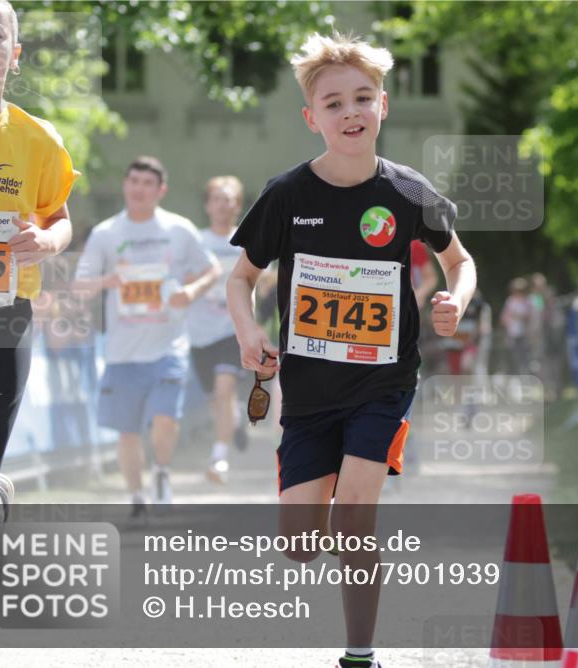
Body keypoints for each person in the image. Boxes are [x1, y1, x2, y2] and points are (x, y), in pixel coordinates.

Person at [225, 33, 476, 668]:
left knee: (355, 516)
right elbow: (240, 277)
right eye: (334, 103)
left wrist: (456, 300)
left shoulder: (408, 191)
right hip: (308, 393)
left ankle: (359, 653)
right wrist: (249, 331)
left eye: (362, 98)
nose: (350, 112)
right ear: (313, 119)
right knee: (303, 544)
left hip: (382, 381)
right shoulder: (287, 195)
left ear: (383, 106)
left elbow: (460, 260)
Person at [0, 1, 79, 665]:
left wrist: (47, 241)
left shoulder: (36, 138)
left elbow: (61, 216)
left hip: (1, 318)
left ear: (14, 54)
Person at [73, 157, 219, 516]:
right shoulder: (106, 234)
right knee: (127, 433)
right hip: (122, 351)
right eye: (133, 180)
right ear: (125, 185)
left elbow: (212, 269)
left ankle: (162, 473)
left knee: (164, 419)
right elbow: (79, 284)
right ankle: (137, 496)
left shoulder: (179, 229)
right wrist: (108, 282)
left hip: (169, 347)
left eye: (147, 183)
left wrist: (192, 291)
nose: (138, 188)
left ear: (160, 190)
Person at [186, 175, 247, 484]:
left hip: (232, 330)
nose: (224, 205)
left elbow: (259, 278)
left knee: (224, 391)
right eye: (218, 199)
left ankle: (219, 459)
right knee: (217, 401)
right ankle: (233, 421)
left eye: (230, 199)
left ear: (237, 205)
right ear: (208, 205)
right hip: (199, 333)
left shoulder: (246, 240)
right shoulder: (195, 241)